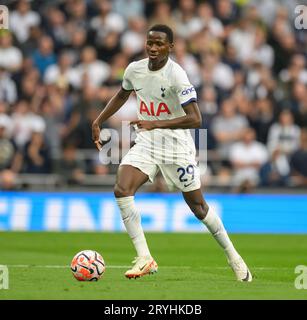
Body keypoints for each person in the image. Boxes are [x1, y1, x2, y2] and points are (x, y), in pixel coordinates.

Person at [92, 24, 252, 281]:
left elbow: (195, 118)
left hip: (176, 146)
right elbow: (122, 95)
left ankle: (234, 256)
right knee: (122, 189)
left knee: (198, 208)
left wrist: (156, 122)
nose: (153, 48)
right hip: (146, 141)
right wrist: (98, 120)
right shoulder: (134, 69)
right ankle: (145, 257)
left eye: (159, 44)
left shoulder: (177, 75)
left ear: (170, 47)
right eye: (150, 43)